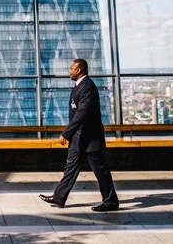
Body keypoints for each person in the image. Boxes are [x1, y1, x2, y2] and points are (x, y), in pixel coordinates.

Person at [39, 59, 119, 211]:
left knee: (100, 171)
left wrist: (66, 133)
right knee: (70, 168)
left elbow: (82, 113)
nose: (69, 71)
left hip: (90, 138)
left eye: (72, 68)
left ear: (80, 70)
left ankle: (111, 201)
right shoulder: (79, 86)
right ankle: (59, 197)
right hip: (79, 138)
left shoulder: (87, 87)